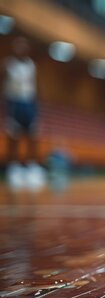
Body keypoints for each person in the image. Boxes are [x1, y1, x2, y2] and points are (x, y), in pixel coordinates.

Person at [3, 36, 45, 191]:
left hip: (29, 103)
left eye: (24, 46)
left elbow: (37, 87)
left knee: (33, 136)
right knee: (13, 137)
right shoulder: (8, 65)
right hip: (14, 103)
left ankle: (31, 169)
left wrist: (38, 105)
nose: (21, 49)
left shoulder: (32, 66)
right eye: (18, 45)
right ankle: (14, 170)